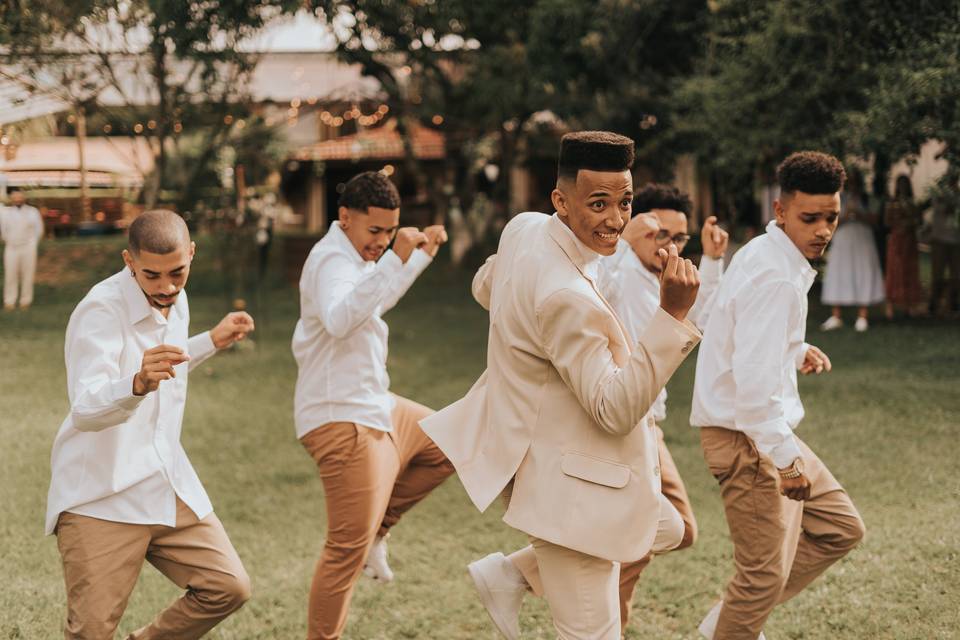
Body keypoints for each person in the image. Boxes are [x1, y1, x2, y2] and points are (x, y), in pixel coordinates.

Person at [422, 131, 703, 640]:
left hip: (574, 460)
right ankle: (517, 572)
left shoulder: (524, 229)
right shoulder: (565, 298)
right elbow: (614, 410)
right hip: (573, 491)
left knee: (668, 526)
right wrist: (672, 316)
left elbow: (485, 286)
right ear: (562, 200)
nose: (615, 219)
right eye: (598, 203)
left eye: (624, 202)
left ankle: (512, 573)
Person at [45, 209, 256, 639]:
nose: (166, 288)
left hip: (162, 481)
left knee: (227, 586)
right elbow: (85, 408)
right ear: (128, 261)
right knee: (90, 633)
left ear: (191, 254)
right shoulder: (100, 311)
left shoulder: (176, 298)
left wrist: (209, 341)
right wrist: (137, 382)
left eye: (177, 273)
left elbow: (166, 364)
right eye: (152, 276)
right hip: (100, 495)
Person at [691, 151, 865, 640]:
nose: (823, 229)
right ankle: (732, 622)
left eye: (831, 217)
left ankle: (729, 617)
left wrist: (794, 349)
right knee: (762, 576)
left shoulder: (771, 256)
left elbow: (741, 335)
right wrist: (787, 462)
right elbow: (751, 391)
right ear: (780, 210)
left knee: (840, 528)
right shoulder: (776, 276)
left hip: (765, 431)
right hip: (748, 440)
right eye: (809, 218)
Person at [292, 171, 454, 640]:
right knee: (344, 550)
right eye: (374, 231)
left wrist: (418, 258)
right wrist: (395, 258)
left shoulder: (356, 256)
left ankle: (377, 532)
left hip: (374, 403)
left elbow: (375, 301)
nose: (381, 241)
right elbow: (342, 319)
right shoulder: (329, 262)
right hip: (339, 416)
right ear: (345, 218)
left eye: (389, 231)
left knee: (451, 439)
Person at [819, 169, 885, 332]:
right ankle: (836, 315)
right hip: (843, 240)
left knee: (863, 272)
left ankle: (862, 316)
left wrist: (859, 214)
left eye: (856, 181)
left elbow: (876, 221)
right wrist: (847, 215)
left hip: (863, 240)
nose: (853, 184)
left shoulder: (868, 199)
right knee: (839, 273)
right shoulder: (838, 199)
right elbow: (829, 222)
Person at [883, 175, 925, 318]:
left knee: (910, 270)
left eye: (905, 184)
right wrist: (899, 225)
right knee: (894, 270)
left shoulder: (913, 203)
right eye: (900, 184)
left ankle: (909, 305)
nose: (902, 187)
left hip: (910, 240)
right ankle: (890, 306)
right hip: (896, 239)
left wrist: (910, 223)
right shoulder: (892, 202)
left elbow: (919, 221)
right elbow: (886, 222)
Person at [1, 186, 44, 310]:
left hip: (28, 247)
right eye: (15, 195)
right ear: (11, 197)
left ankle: (25, 301)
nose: (17, 197)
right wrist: (9, 240)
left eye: (20, 195)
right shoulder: (5, 212)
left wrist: (32, 243)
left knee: (28, 274)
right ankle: (9, 301)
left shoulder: (32, 211)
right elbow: (4, 230)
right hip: (12, 247)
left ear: (24, 196)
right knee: (10, 274)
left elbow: (38, 230)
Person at [925, 171, 960, 316]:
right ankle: (934, 303)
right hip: (939, 239)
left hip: (956, 241)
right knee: (937, 274)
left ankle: (953, 303)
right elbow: (942, 209)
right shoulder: (938, 196)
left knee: (956, 275)